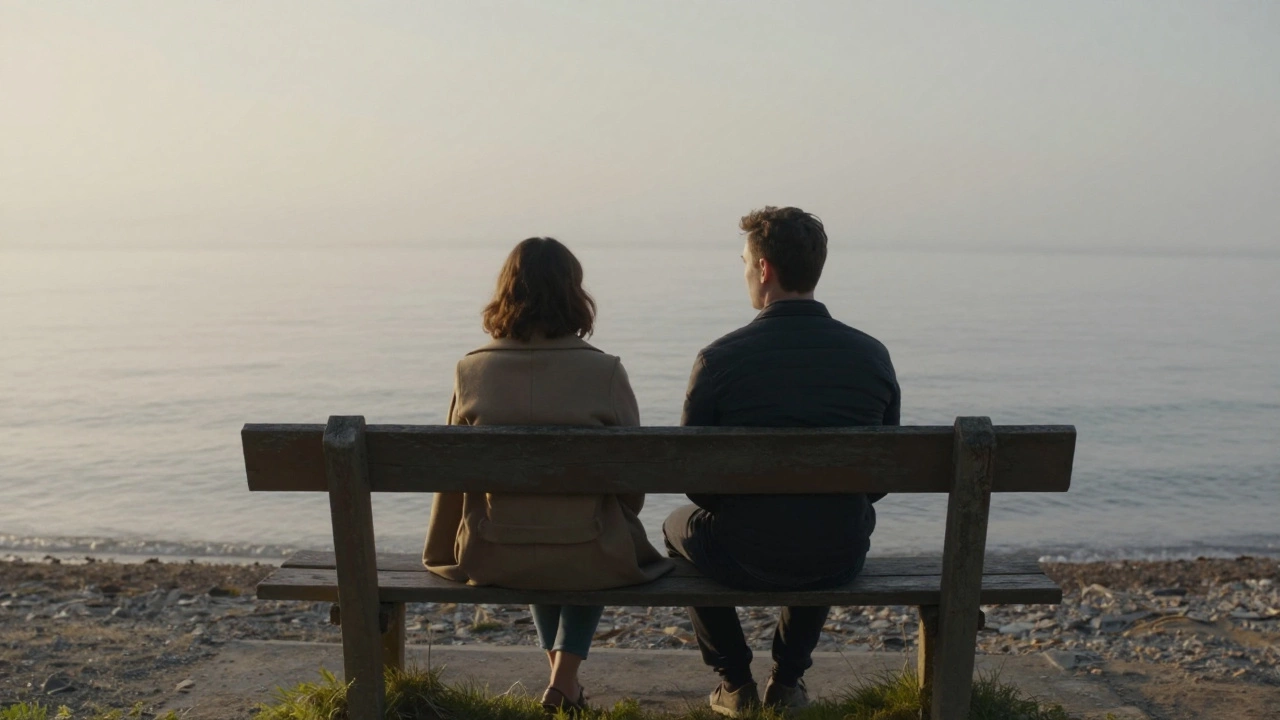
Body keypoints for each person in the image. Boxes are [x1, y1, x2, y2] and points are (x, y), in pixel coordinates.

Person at [663, 207, 900, 716]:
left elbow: (694, 483)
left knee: (673, 527)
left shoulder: (719, 359)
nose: (745, 273)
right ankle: (787, 682)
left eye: (746, 263)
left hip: (742, 554)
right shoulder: (871, 356)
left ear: (765, 269)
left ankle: (734, 682)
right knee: (828, 515)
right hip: (839, 554)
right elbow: (879, 481)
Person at [424, 237, 673, 715]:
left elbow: (452, 479)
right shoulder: (604, 371)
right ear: (573, 293)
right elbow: (632, 484)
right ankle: (563, 684)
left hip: (493, 551)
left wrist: (443, 549)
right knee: (584, 535)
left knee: (538, 526)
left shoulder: (470, 371)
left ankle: (564, 685)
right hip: (591, 546)